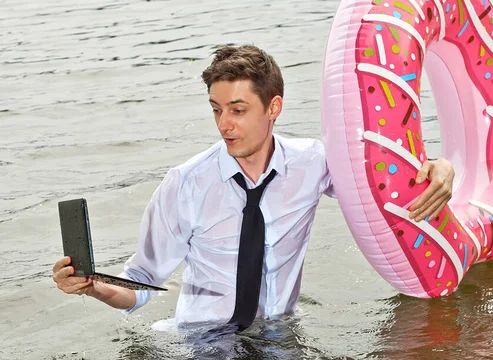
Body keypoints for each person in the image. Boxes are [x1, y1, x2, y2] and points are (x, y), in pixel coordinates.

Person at [53, 45, 455, 329]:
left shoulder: (314, 163)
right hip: (205, 343)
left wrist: (440, 167)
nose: (223, 124)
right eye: (216, 109)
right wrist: (92, 287)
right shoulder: (185, 184)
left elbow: (383, 186)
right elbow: (140, 285)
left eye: (238, 110)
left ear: (274, 107)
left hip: (280, 334)